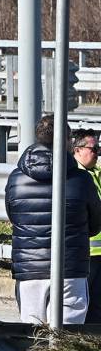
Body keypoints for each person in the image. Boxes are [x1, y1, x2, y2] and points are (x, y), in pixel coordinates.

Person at [5, 114, 101, 325]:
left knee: (33, 337)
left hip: (29, 269)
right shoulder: (82, 180)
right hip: (70, 269)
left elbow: (13, 217)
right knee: (67, 341)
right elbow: (95, 225)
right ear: (67, 141)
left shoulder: (16, 179)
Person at [72, 128, 101, 323]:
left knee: (97, 304)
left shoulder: (95, 173)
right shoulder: (75, 176)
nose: (97, 153)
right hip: (85, 251)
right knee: (83, 304)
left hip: (98, 252)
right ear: (77, 150)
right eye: (94, 148)